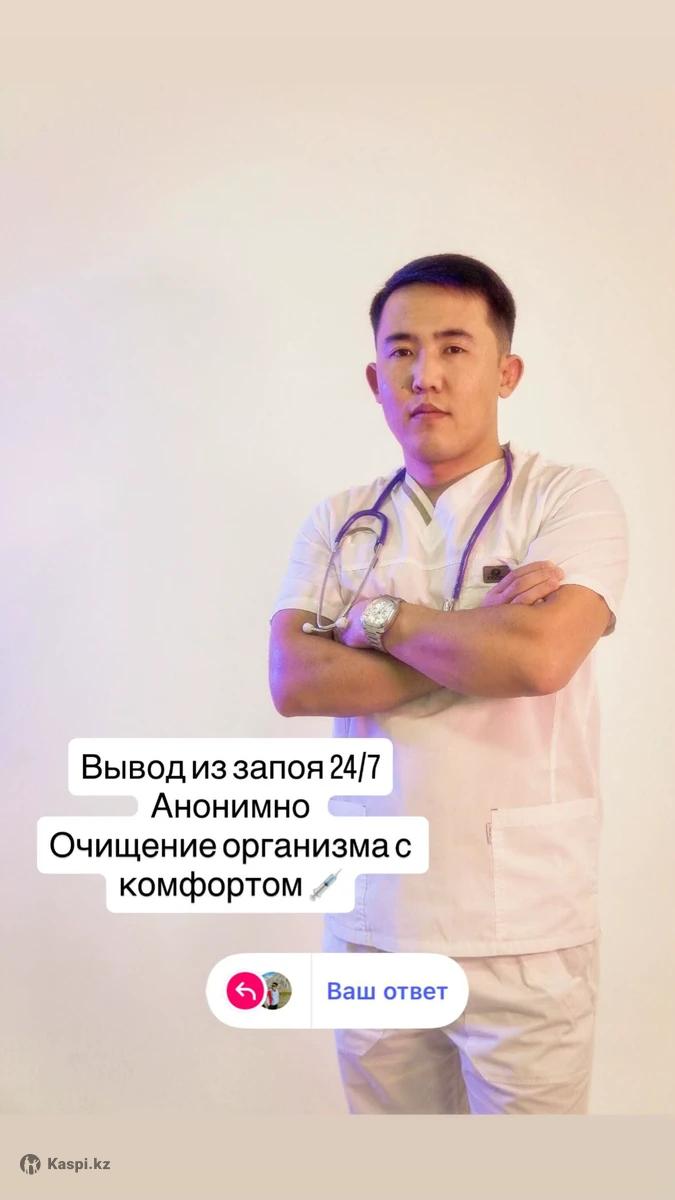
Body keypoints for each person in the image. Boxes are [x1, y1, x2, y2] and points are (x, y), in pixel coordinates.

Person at [268, 253, 629, 1115]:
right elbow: (295, 679)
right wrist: (481, 638)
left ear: (505, 371)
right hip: (374, 925)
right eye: (400, 351)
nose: (424, 375)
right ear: (374, 377)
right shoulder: (339, 521)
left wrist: (375, 620)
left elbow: (539, 660)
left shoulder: (568, 500)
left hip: (523, 928)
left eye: (454, 348)